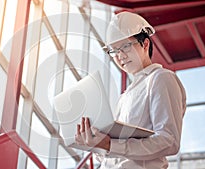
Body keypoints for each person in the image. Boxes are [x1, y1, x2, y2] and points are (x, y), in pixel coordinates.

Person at [75, 11, 186, 169]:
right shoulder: (125, 96)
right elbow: (116, 153)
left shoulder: (161, 78)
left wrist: (111, 145)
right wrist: (97, 144)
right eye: (113, 50)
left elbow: (169, 141)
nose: (120, 55)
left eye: (125, 46)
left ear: (145, 44)